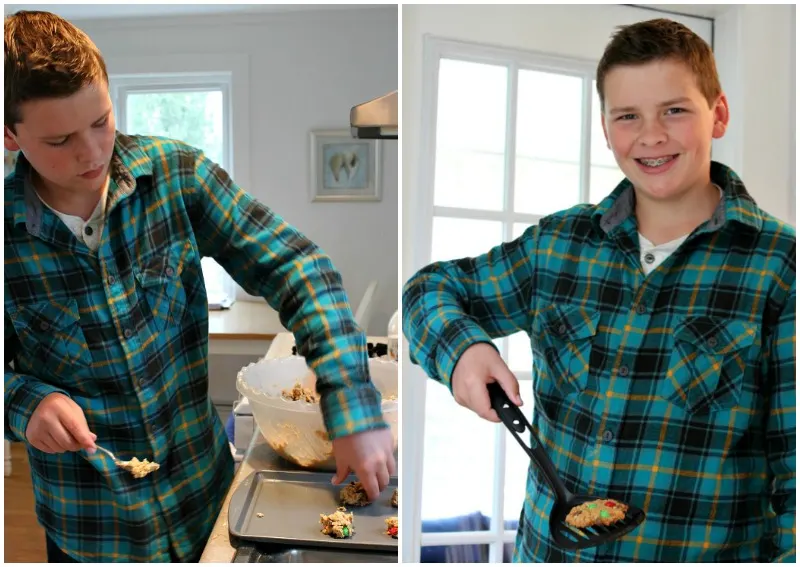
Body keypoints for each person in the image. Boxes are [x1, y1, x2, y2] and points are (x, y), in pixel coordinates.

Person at [4, 10, 395, 563]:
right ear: (10, 135)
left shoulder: (176, 175)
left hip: (205, 503)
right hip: (91, 529)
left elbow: (298, 268)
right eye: (61, 139)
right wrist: (25, 401)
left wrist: (351, 402)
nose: (92, 153)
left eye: (101, 121)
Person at [403, 18, 795, 563]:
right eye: (628, 116)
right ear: (606, 129)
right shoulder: (558, 246)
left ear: (719, 115)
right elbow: (429, 290)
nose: (651, 135)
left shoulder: (780, 266)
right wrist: (463, 351)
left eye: (675, 110)